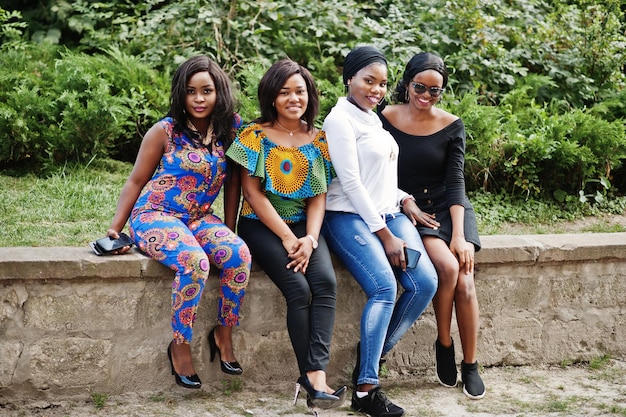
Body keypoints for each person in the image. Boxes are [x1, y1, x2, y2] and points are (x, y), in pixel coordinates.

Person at [104, 55, 251, 389]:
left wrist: (228, 227)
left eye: (206, 91)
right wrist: (116, 226)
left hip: (200, 217)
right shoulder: (164, 131)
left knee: (239, 255)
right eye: (190, 92)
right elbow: (135, 181)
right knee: (194, 261)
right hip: (155, 215)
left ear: (219, 92)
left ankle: (223, 332)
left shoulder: (230, 129)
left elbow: (233, 183)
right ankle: (180, 344)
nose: (198, 99)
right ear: (180, 95)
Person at [321, 45, 438, 417]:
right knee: (385, 286)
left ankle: (372, 353)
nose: (376, 89)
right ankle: (366, 389)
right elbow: (352, 183)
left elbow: (381, 177)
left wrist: (404, 199)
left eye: (383, 83)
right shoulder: (340, 119)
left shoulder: (373, 118)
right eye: (368, 81)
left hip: (389, 211)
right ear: (350, 78)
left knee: (426, 283)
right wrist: (385, 236)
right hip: (347, 215)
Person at [226, 59, 345, 412]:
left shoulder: (319, 138)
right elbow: (253, 193)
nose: (294, 98)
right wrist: (287, 239)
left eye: (300, 91)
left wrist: (309, 238)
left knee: (325, 283)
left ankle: (316, 378)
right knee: (299, 288)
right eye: (285, 92)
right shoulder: (254, 135)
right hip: (260, 224)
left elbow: (318, 194)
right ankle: (309, 377)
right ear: (271, 97)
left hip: (302, 227)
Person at [378, 51, 486, 399]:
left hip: (449, 209)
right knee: (447, 267)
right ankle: (443, 341)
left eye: (435, 90)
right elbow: (377, 173)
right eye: (420, 87)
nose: (426, 95)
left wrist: (460, 235)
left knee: (465, 280)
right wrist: (403, 202)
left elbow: (456, 183)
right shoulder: (384, 118)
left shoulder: (452, 124)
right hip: (412, 209)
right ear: (407, 83)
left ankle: (469, 364)